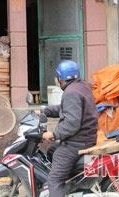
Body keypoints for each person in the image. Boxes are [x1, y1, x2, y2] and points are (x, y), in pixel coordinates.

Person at [42, 60, 97, 197]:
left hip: (76, 143)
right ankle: (72, 184)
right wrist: (46, 111)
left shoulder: (71, 92)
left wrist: (54, 134)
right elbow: (68, 109)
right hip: (86, 137)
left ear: (61, 78)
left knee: (54, 180)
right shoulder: (81, 87)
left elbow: (72, 123)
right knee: (51, 151)